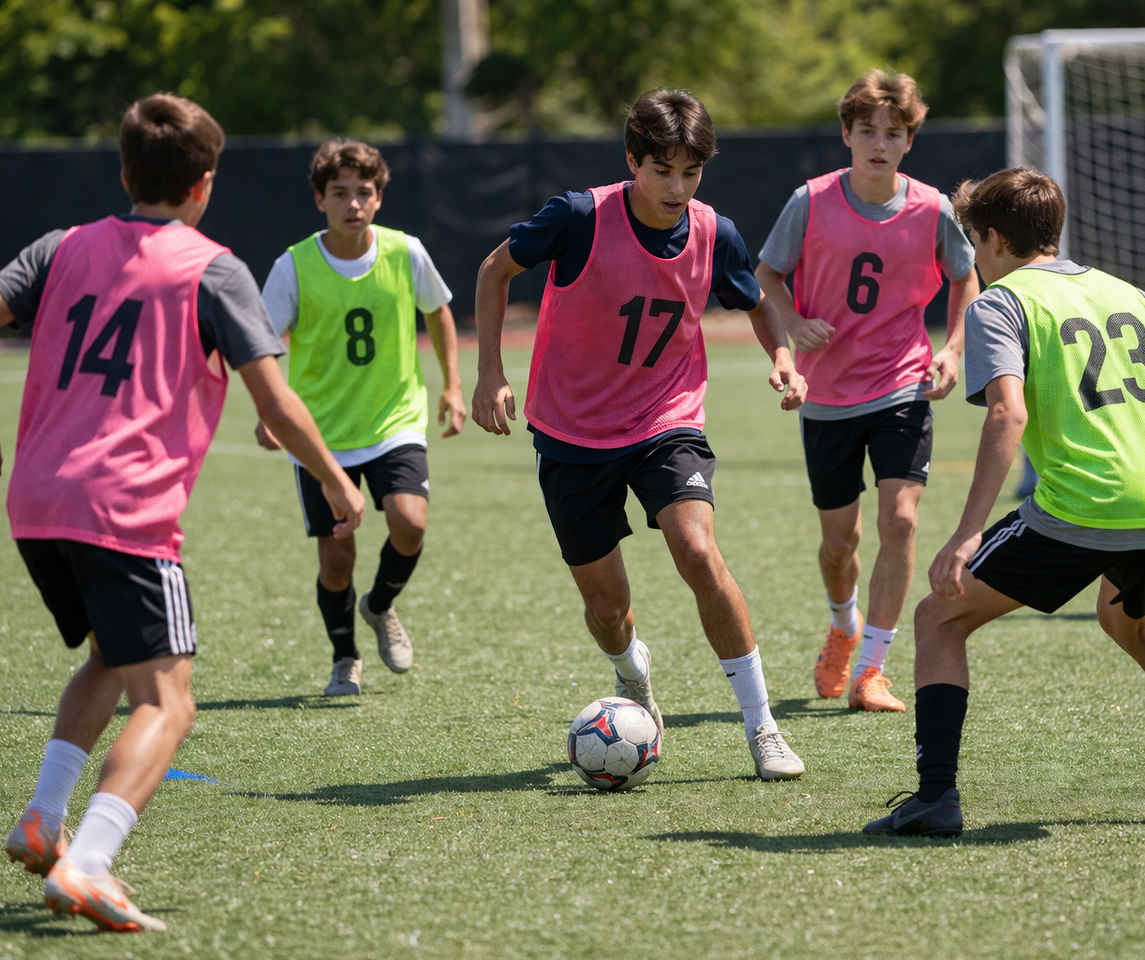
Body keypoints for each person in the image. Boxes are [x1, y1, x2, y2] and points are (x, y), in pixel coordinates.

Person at [0, 94, 364, 931]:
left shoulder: (61, 246)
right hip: (123, 508)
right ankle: (89, 864)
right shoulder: (213, 268)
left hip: (36, 501)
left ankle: (43, 820)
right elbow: (275, 404)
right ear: (204, 184)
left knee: (110, 654)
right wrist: (338, 482)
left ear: (126, 173)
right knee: (168, 702)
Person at [863, 168, 1145, 837]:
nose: (974, 256)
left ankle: (935, 796)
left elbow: (1007, 415)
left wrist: (966, 533)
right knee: (1131, 625)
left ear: (995, 239)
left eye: (974, 241)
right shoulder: (1129, 294)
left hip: (1087, 502)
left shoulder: (999, 303)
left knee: (938, 617)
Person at [470, 89, 808, 780]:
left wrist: (781, 355)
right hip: (571, 433)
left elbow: (756, 303)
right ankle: (631, 669)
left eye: (691, 172)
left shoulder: (716, 233)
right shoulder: (578, 216)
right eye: (662, 171)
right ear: (632, 161)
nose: (677, 188)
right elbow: (493, 270)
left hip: (665, 422)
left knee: (698, 551)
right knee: (607, 609)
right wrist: (489, 373)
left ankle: (762, 727)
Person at [756, 70, 980, 712]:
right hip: (826, 395)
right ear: (846, 135)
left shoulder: (933, 208)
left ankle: (872, 669)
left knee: (901, 520)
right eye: (867, 131)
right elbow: (767, 274)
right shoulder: (810, 202)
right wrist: (794, 322)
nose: (880, 144)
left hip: (901, 386)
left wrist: (952, 348)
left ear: (909, 140)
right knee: (840, 543)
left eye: (893, 133)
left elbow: (965, 278)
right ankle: (843, 624)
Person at [258, 139, 465, 696]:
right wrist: (268, 409)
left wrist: (452, 384)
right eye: (339, 193)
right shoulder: (293, 265)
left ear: (378, 198)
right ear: (319, 199)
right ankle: (344, 657)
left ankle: (379, 604)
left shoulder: (406, 252)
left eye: (364, 192)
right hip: (320, 434)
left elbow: (438, 311)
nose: (352, 203)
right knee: (337, 557)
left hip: (395, 419)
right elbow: (264, 343)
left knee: (410, 523)